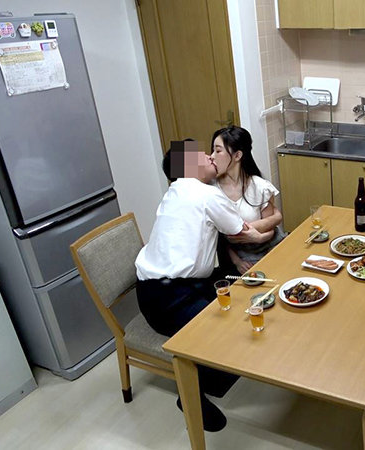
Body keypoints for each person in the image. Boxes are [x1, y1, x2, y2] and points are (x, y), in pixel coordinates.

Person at [134, 140, 268, 432]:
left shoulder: (174, 192)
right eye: (202, 154)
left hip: (149, 293)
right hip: (172, 299)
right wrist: (266, 232)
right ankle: (190, 394)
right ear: (186, 166)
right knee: (228, 324)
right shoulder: (206, 194)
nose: (209, 156)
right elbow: (242, 231)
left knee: (237, 294)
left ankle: (220, 374)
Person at [210, 126, 284, 274]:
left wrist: (259, 238)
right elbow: (220, 236)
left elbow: (271, 229)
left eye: (218, 151)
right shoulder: (211, 190)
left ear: (237, 155)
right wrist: (237, 261)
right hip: (240, 259)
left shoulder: (260, 186)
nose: (211, 156)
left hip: (271, 247)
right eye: (213, 150)